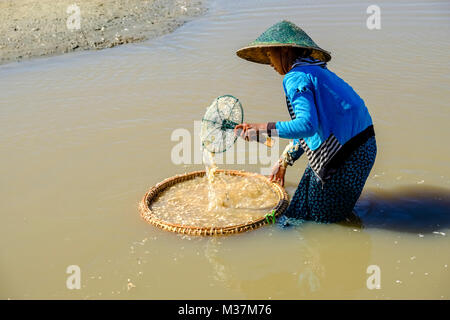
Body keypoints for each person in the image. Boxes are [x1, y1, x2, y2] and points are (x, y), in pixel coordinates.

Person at [234, 20, 377, 224]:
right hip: (360, 148)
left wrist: (260, 128)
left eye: (270, 54)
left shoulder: (295, 77)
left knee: (319, 222)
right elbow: (314, 128)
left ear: (284, 51)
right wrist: (284, 162)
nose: (269, 62)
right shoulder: (315, 71)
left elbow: (306, 125)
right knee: (299, 209)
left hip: (346, 156)